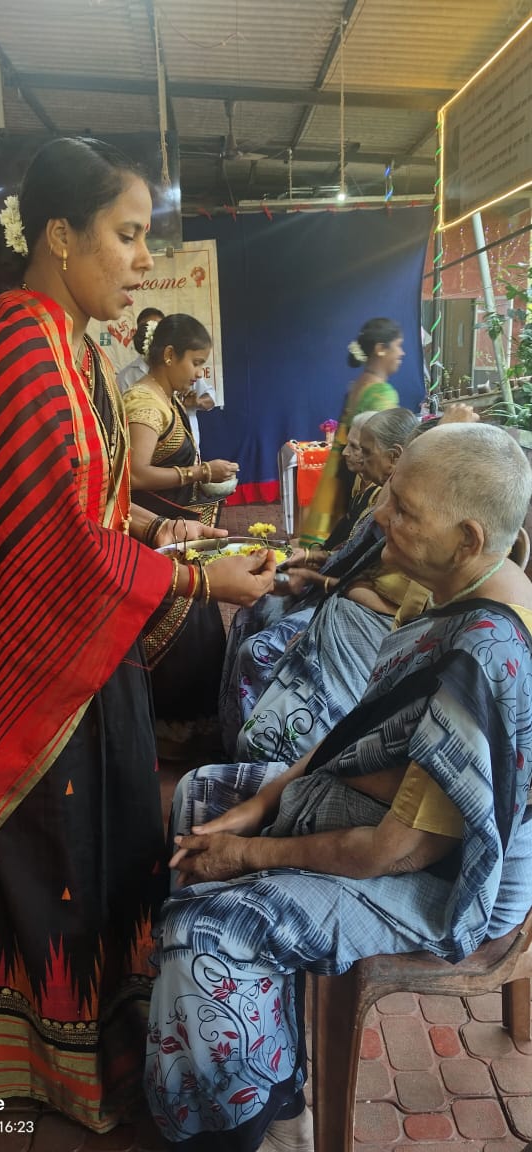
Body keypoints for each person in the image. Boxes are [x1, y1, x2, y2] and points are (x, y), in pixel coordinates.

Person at [0, 137, 276, 1136]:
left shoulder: (72, 346)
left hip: (78, 647)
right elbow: (51, 541)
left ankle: (85, 1038)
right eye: (129, 235)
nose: (143, 261)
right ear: (61, 235)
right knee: (45, 853)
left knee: (95, 847)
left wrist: (149, 525)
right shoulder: (24, 354)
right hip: (28, 660)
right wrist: (202, 576)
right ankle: (14, 1065)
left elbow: (79, 497)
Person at [145, 422, 532, 1152]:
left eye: (403, 509)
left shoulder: (484, 657)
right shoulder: (452, 585)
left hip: (445, 884)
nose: (379, 513)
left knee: (209, 928)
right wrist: (260, 805)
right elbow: (354, 731)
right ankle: (244, 1044)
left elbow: (393, 852)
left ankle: (257, 1120)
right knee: (202, 795)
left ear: (468, 537)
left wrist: (249, 855)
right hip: (391, 817)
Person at [223, 408, 422, 762]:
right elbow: (349, 554)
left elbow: (389, 599)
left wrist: (319, 580)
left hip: (360, 620)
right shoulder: (377, 493)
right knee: (250, 611)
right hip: (342, 602)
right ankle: (235, 738)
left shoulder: (415, 520)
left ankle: (264, 752)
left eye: (364, 450)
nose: (351, 457)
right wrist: (314, 558)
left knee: (257, 650)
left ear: (395, 457)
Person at [124, 313, 239, 755]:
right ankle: (169, 730)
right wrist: (199, 472)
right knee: (181, 633)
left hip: (178, 535)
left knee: (198, 628)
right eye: (195, 362)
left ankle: (192, 725)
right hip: (156, 536)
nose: (198, 373)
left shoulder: (164, 397)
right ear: (169, 355)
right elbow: (135, 474)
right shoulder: (144, 403)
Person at [300, 317, 404, 548]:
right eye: (398, 345)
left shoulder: (358, 384)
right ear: (380, 349)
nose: (401, 353)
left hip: (344, 473)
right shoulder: (381, 392)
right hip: (365, 477)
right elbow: (383, 447)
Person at [116, 305, 165, 393]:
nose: (153, 335)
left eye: (158, 330)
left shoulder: (175, 370)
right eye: (146, 329)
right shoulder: (125, 377)